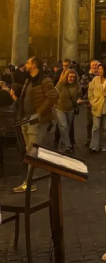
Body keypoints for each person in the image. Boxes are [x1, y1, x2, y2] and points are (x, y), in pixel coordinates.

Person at [14, 56, 58, 193]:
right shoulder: (28, 80)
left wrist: (38, 113)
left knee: (32, 152)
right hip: (26, 119)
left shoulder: (45, 80)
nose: (25, 64)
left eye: (28, 63)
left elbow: (53, 96)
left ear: (34, 65)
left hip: (36, 121)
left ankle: (30, 182)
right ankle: (32, 180)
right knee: (30, 151)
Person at [55, 69, 81, 154]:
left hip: (70, 109)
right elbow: (54, 94)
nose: (72, 78)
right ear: (66, 76)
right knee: (64, 127)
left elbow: (79, 95)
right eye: (70, 77)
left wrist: (78, 100)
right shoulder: (60, 84)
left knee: (67, 128)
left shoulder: (77, 85)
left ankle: (61, 145)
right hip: (60, 108)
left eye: (73, 77)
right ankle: (67, 146)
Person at [80, 59, 100, 146]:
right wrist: (89, 85)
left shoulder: (102, 75)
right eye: (93, 65)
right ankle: (89, 138)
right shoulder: (85, 76)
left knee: (98, 122)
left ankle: (97, 139)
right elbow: (81, 87)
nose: (95, 67)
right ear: (90, 66)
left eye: (96, 65)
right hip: (89, 102)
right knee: (89, 122)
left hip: (100, 101)